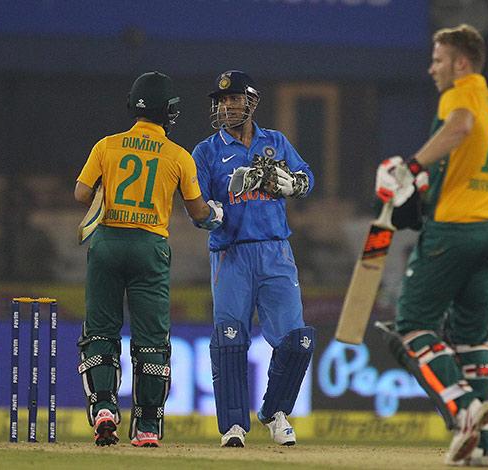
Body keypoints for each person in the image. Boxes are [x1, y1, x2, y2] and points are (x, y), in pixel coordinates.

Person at [375, 24, 488, 466]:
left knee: (412, 323)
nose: (432, 68)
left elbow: (460, 126)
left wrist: (413, 166)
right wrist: (423, 186)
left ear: (461, 63)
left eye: (438, 60)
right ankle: (484, 449)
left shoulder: (460, 95)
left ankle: (463, 408)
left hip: (453, 231)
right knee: (473, 339)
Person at [74, 71, 223, 447]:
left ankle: (104, 408)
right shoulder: (177, 155)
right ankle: (146, 427)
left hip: (107, 242)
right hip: (150, 247)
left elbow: (80, 194)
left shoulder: (107, 145)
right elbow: (198, 211)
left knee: (101, 331)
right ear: (167, 112)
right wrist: (216, 215)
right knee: (151, 340)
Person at [192, 70, 315, 448]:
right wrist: (216, 211)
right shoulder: (206, 152)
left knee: (297, 340)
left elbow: (307, 178)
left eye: (234, 99)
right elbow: (197, 211)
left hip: (276, 250)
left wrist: (292, 184)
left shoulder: (275, 142)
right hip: (231, 254)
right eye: (221, 101)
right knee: (230, 340)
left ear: (250, 102)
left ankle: (275, 413)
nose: (227, 106)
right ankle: (233, 426)